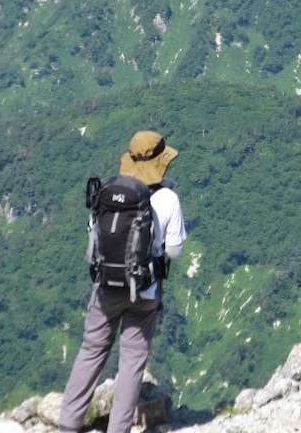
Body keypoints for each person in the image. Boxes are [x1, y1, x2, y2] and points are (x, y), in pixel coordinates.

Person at [58, 130, 187, 433]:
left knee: (92, 350)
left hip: (105, 287)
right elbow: (175, 252)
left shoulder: (108, 192)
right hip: (144, 290)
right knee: (131, 362)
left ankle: (68, 422)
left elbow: (94, 236)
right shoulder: (168, 198)